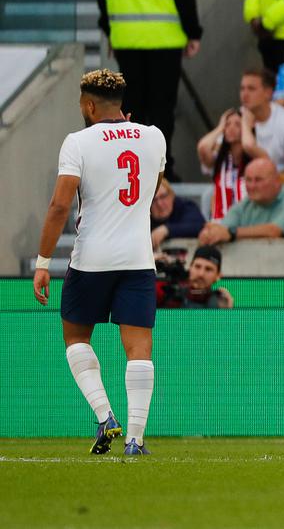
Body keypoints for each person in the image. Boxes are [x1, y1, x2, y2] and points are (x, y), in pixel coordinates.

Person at [32, 69, 165, 455]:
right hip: (138, 259)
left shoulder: (78, 142)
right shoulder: (153, 136)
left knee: (75, 338)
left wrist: (43, 261)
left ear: (89, 105)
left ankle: (106, 416)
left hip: (91, 258)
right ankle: (136, 441)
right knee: (139, 350)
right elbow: (152, 190)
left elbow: (60, 205)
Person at [97, 0, 201, 182]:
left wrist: (111, 31)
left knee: (131, 109)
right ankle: (161, 171)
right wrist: (193, 31)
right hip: (164, 37)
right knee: (161, 110)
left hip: (126, 37)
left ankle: (130, 169)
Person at [198, 158, 284, 245]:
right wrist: (211, 233)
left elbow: (274, 232)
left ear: (277, 181)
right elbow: (223, 230)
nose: (252, 186)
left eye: (258, 180)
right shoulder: (245, 204)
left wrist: (231, 233)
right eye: (248, 180)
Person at [197, 109, 267, 220]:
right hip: (220, 223)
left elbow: (249, 145)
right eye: (228, 124)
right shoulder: (220, 159)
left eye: (237, 124)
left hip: (248, 223)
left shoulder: (256, 159)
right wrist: (220, 128)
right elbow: (203, 147)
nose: (231, 128)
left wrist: (246, 124)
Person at [239, 68, 284, 175]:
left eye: (251, 89)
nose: (245, 94)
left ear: (268, 93)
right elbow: (212, 155)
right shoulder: (235, 119)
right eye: (242, 89)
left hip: (280, 185)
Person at [156, 246, 233, 309]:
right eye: (197, 267)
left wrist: (227, 314)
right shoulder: (164, 290)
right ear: (190, 268)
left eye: (208, 269)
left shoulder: (219, 303)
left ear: (218, 276)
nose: (201, 274)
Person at [150, 179, 206, 249]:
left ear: (172, 195)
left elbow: (199, 225)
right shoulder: (144, 217)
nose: (159, 204)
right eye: (154, 200)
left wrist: (167, 229)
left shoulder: (184, 206)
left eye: (163, 197)